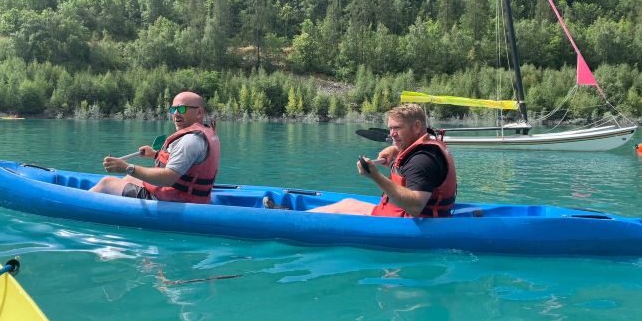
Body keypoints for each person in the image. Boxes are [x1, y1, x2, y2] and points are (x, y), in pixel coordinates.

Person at [267, 103, 456, 217]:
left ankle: (287, 220)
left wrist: (375, 176)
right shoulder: (426, 147)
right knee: (347, 203)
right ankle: (292, 215)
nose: (392, 134)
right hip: (397, 214)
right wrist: (395, 149)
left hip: (408, 223)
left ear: (416, 126)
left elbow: (415, 206)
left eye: (397, 128)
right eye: (390, 128)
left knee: (340, 210)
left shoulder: (422, 160)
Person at [90, 91, 221, 203]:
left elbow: (168, 178)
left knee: (106, 183)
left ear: (199, 112)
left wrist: (126, 167)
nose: (176, 113)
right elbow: (186, 163)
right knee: (131, 178)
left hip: (175, 201)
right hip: (188, 196)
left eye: (181, 109)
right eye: (173, 109)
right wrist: (155, 154)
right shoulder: (204, 134)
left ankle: (85, 206)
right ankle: (123, 209)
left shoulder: (190, 140)